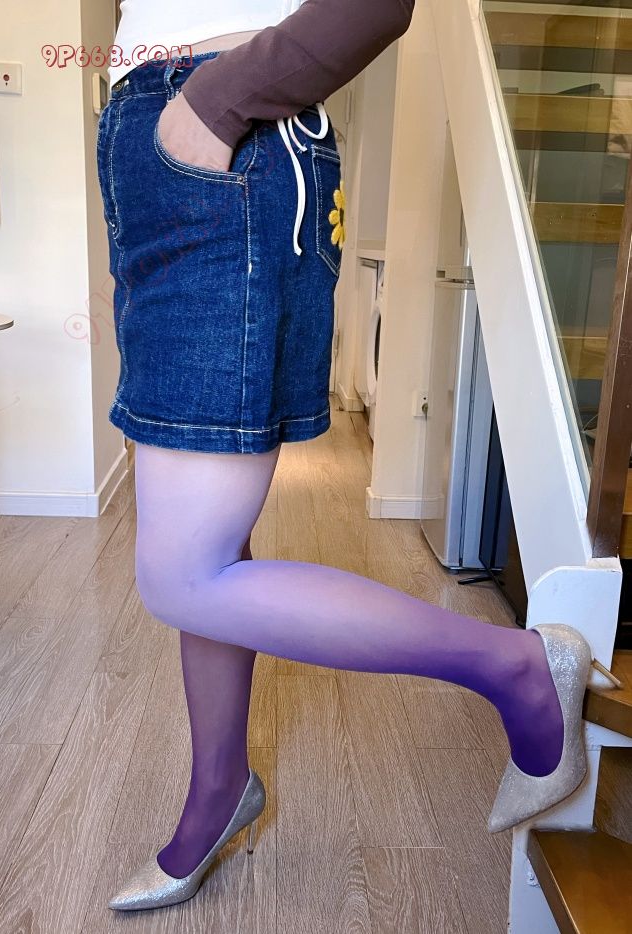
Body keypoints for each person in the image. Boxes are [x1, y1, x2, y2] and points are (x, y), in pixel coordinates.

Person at [95, 0, 621, 913]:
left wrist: (213, 107)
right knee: (206, 544)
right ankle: (218, 791)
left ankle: (520, 668)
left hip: (221, 138)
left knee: (182, 576)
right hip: (166, 145)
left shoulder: (217, 111)